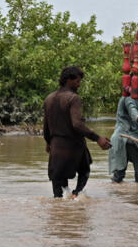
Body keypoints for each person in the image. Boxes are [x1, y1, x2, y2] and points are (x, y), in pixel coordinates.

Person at [43, 66, 111, 198]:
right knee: (84, 170)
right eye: (77, 81)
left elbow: (46, 126)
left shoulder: (49, 99)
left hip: (56, 147)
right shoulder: (73, 98)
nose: (79, 84)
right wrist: (98, 138)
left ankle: (61, 211)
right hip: (73, 145)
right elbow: (77, 124)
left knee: (58, 189)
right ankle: (76, 194)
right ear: (69, 80)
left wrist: (48, 142)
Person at [108, 86, 138, 183]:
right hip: (127, 138)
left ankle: (117, 195)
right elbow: (132, 110)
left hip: (120, 138)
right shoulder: (129, 97)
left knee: (118, 175)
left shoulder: (127, 97)